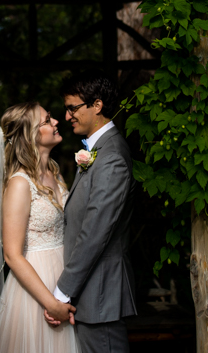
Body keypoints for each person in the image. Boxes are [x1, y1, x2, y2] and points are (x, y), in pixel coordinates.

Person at [0, 101, 80, 353]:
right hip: (36, 287)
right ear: (31, 135)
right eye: (47, 120)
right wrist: (50, 303)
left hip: (64, 279)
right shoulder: (20, 183)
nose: (56, 122)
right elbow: (12, 254)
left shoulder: (55, 172)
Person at [45, 71, 137, 353]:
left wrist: (61, 292)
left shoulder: (111, 158)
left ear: (96, 105)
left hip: (100, 295)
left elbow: (95, 232)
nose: (67, 115)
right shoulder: (99, 152)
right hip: (92, 296)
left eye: (73, 107)